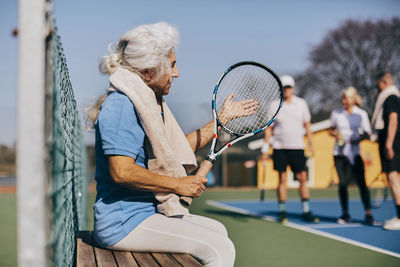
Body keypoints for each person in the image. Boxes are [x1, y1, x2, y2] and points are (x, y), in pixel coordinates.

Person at [87, 22, 259, 266]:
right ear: (149, 69)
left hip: (143, 215)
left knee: (218, 230)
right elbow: (121, 171)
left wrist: (220, 121)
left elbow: (174, 152)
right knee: (220, 248)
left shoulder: (145, 103)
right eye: (172, 65)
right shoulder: (122, 105)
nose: (176, 74)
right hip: (122, 224)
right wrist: (178, 184)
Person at [261, 75, 319, 223]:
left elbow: (307, 125)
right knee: (282, 179)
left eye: (289, 87)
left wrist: (311, 144)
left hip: (298, 148)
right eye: (284, 87)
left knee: (302, 178)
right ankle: (282, 212)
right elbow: (269, 129)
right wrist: (265, 149)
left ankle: (307, 211)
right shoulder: (274, 105)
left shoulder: (301, 104)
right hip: (280, 148)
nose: (286, 90)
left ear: (293, 88)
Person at [329, 87, 375, 225]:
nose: (344, 101)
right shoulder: (336, 113)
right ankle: (345, 214)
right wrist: (335, 134)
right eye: (343, 98)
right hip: (339, 154)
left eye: (347, 98)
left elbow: (368, 133)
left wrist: (357, 139)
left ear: (353, 99)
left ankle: (368, 213)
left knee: (362, 184)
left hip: (355, 154)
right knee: (342, 184)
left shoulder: (361, 114)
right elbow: (330, 129)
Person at [371, 72, 400, 230]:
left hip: (392, 144)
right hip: (394, 142)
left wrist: (388, 144)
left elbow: (393, 120)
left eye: (378, 84)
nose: (377, 87)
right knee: (395, 180)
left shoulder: (390, 97)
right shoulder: (394, 97)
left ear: (384, 82)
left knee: (393, 178)